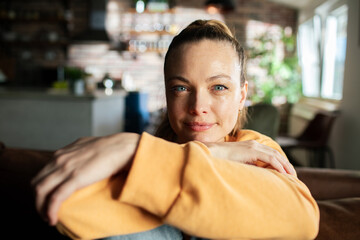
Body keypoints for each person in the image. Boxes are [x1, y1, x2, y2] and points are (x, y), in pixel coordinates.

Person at [32, 20, 319, 240]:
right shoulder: (148, 152)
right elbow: (66, 207)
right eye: (181, 88)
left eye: (218, 87)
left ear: (242, 95)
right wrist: (210, 153)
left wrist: (134, 151)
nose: (197, 106)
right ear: (167, 95)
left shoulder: (255, 150)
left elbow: (305, 221)